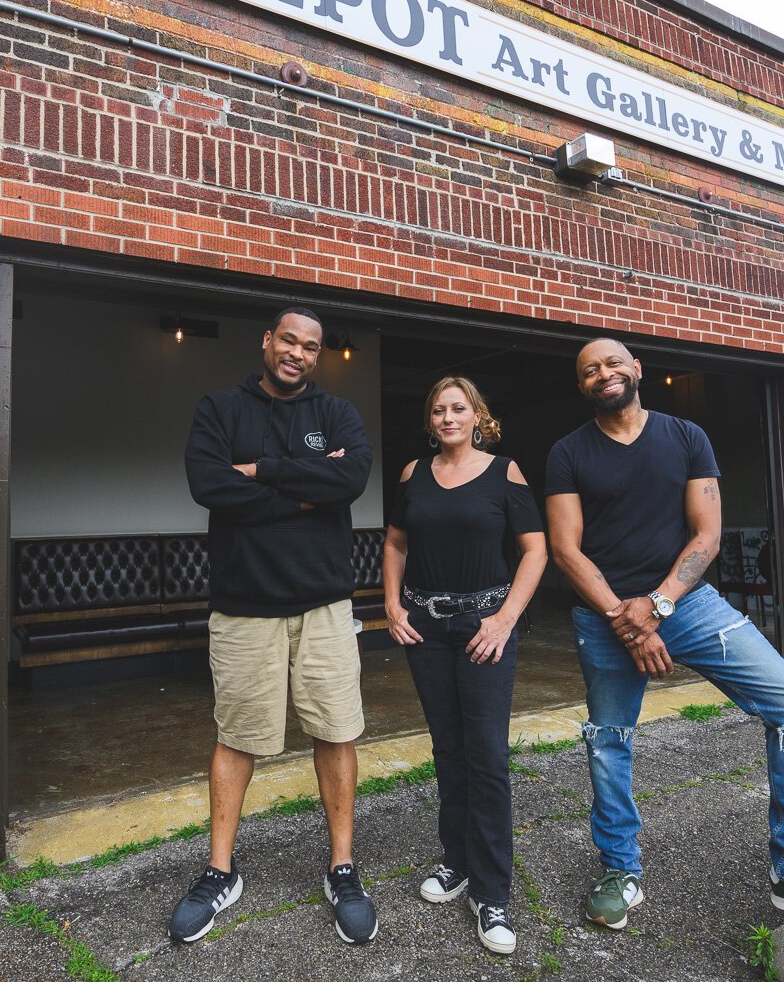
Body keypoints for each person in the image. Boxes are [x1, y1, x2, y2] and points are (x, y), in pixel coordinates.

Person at [545, 338, 784, 936]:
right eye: (589, 370)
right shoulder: (568, 451)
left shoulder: (686, 436)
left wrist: (657, 605)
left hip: (686, 604)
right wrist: (626, 620)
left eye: (612, 363)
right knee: (609, 740)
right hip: (605, 615)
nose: (603, 374)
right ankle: (619, 871)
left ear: (637, 369)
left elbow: (707, 535)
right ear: (581, 385)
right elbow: (565, 549)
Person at [170, 306, 377, 945]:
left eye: (311, 346)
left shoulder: (337, 414)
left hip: (324, 605)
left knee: (335, 730)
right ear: (267, 341)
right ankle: (219, 871)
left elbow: (351, 478)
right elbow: (209, 484)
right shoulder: (220, 408)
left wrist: (262, 472)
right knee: (237, 736)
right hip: (243, 605)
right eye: (288, 340)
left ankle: (342, 868)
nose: (298, 353)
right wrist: (309, 494)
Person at [381, 377, 547, 955]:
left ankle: (492, 892)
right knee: (448, 750)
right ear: (430, 421)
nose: (448, 417)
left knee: (488, 757)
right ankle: (456, 861)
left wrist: (504, 620)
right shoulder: (413, 474)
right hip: (426, 629)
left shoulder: (506, 472)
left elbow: (535, 550)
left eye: (458, 408)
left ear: (478, 416)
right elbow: (396, 543)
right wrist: (392, 605)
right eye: (438, 410)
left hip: (484, 628)